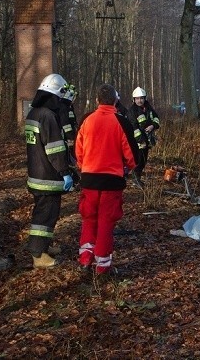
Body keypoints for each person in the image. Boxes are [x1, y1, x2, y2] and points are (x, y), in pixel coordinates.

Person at [75, 84, 137, 275]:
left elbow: (78, 150)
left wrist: (84, 166)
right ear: (116, 101)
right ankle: (102, 265)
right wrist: (128, 167)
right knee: (106, 222)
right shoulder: (121, 122)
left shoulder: (87, 120)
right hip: (112, 180)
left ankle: (85, 257)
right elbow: (132, 154)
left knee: (89, 218)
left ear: (97, 100)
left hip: (89, 178)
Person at [24, 73, 73, 268]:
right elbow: (55, 149)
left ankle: (44, 246)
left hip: (36, 173)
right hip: (48, 176)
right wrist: (65, 171)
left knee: (43, 213)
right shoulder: (48, 116)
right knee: (45, 215)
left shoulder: (33, 113)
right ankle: (38, 254)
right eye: (60, 97)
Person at [127, 87, 160, 186]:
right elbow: (134, 127)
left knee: (144, 159)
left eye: (141, 98)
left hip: (147, 138)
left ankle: (137, 178)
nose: (139, 100)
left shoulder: (149, 108)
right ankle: (135, 178)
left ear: (145, 98)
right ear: (133, 99)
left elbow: (156, 118)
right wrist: (141, 140)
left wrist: (152, 126)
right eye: (137, 98)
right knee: (139, 160)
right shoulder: (132, 111)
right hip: (137, 140)